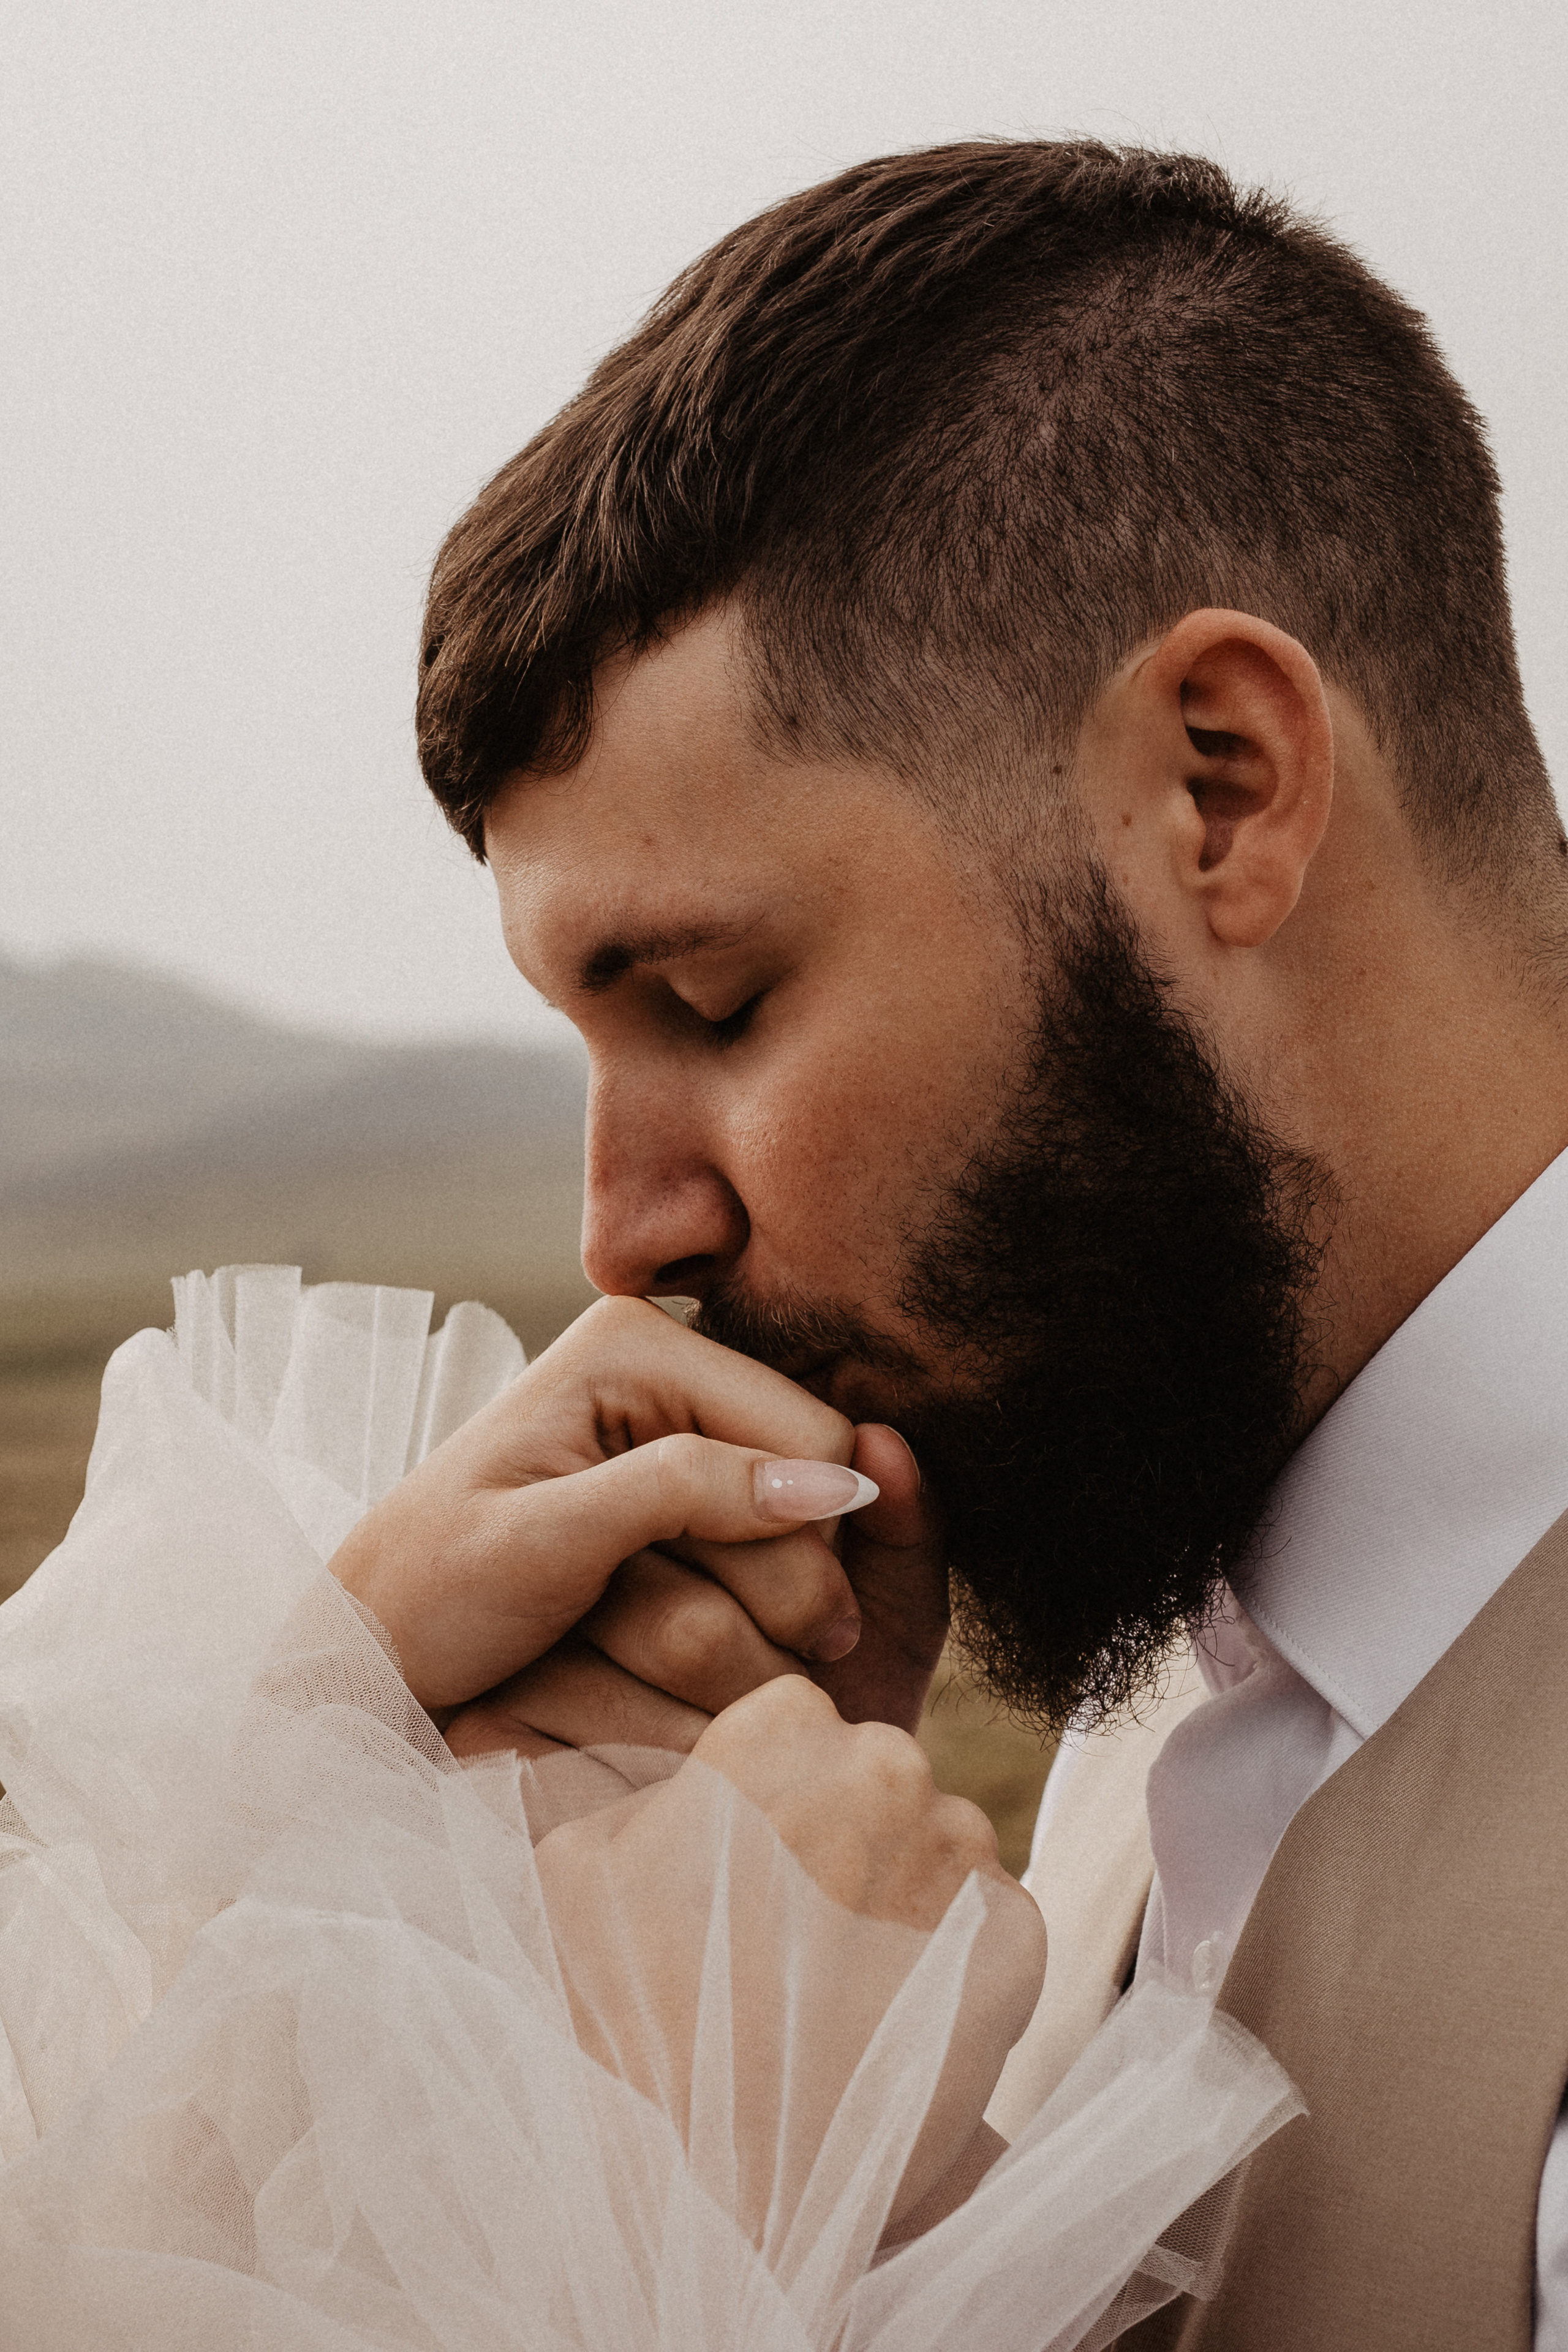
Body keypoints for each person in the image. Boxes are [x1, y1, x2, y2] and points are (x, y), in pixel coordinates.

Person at [373, 137, 1568, 2348]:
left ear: (1218, 787)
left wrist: (698, 2239)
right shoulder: (1153, 1713)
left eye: (712, 1006)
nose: (624, 1231)